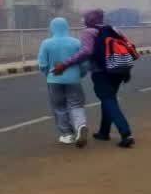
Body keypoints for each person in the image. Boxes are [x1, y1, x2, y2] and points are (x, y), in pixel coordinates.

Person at [55, 8, 135, 148]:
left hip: (101, 71)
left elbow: (87, 51)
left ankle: (125, 133)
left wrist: (65, 63)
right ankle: (104, 132)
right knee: (109, 99)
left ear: (88, 19)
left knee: (108, 100)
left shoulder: (88, 32)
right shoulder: (112, 29)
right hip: (118, 69)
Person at [37, 17, 90, 147]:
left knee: (59, 107)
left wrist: (49, 75)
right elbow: (84, 62)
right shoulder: (76, 42)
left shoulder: (46, 43)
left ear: (52, 28)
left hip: (54, 80)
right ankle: (80, 125)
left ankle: (67, 135)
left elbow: (42, 64)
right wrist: (80, 74)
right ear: (66, 27)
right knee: (76, 104)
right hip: (73, 79)